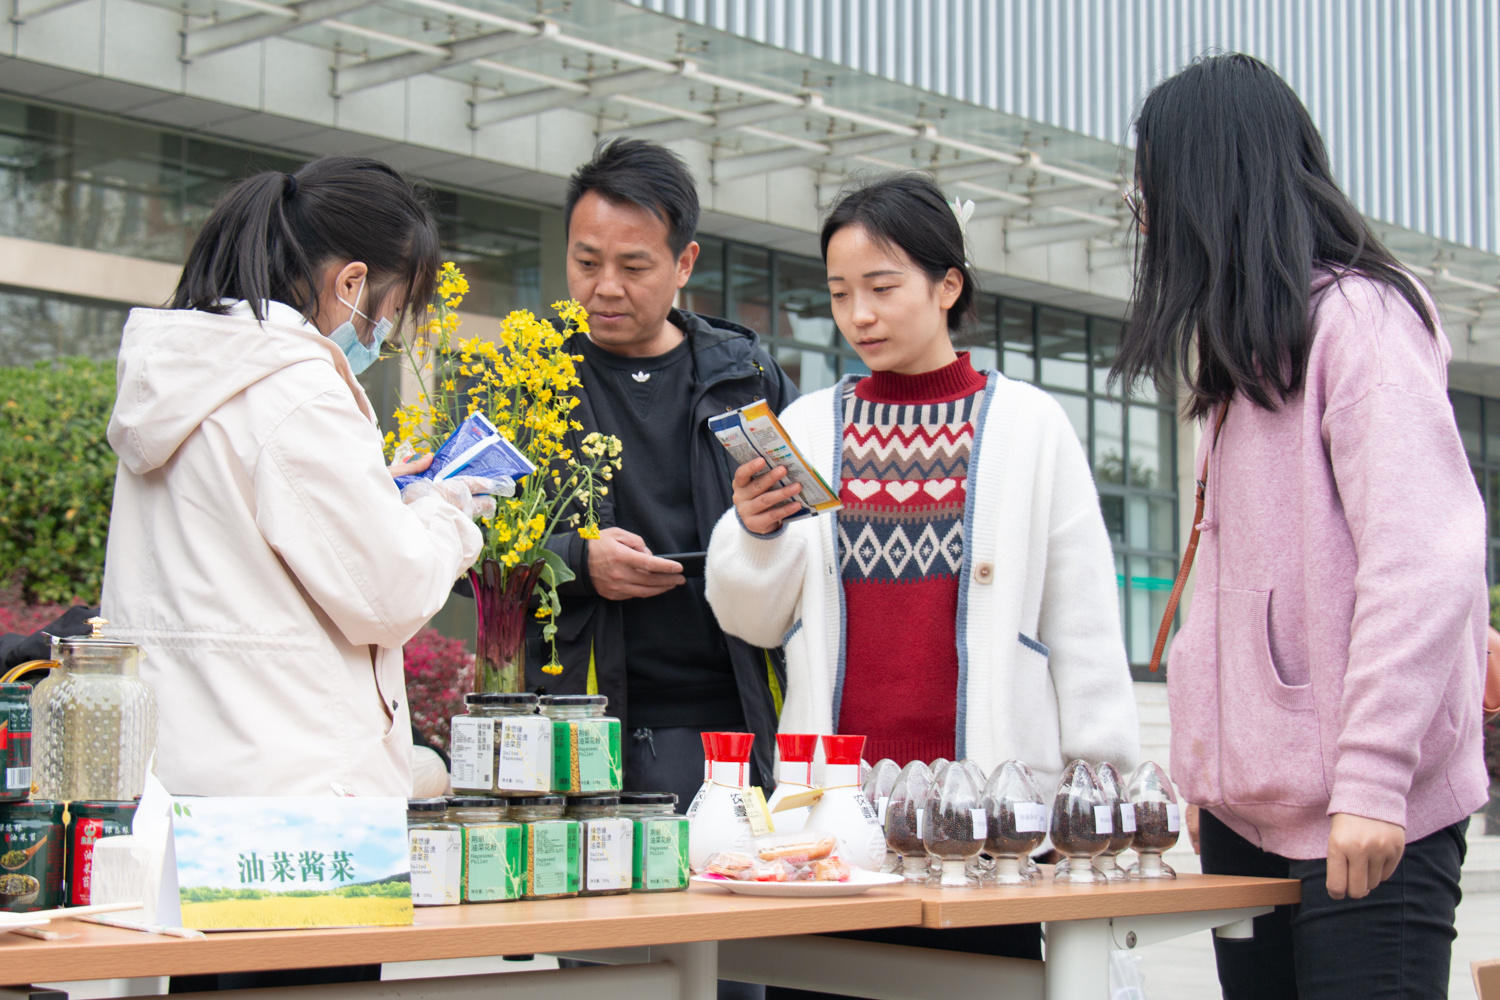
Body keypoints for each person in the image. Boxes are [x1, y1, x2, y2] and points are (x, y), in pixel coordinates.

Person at [1114, 54, 1487, 1000]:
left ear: (1210, 186)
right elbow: (1229, 594)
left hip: (1367, 813)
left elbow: (1425, 562)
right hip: (1248, 815)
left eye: (1151, 189)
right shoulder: (1241, 352)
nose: (1144, 216)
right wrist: (1209, 771)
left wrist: (1371, 779)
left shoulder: (1361, 322)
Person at [705, 173, 1140, 969]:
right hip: (830, 833)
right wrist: (755, 532)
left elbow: (1082, 625)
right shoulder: (807, 426)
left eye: (881, 286)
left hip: (991, 831)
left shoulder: (1029, 426)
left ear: (948, 285)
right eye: (839, 293)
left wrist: (1102, 799)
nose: (859, 314)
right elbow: (752, 619)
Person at [102, 155, 494, 801]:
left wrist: (375, 493)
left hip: (178, 778)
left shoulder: (189, 374)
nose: (386, 333)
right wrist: (445, 509)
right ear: (352, 283)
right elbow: (389, 595)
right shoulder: (297, 392)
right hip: (293, 798)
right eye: (392, 310)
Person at [526, 139, 798, 809]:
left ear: (684, 263)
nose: (604, 287)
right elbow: (462, 555)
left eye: (633, 265)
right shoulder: (526, 385)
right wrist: (576, 563)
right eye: (585, 262)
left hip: (741, 720)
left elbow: (816, 544)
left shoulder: (748, 379)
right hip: (579, 726)